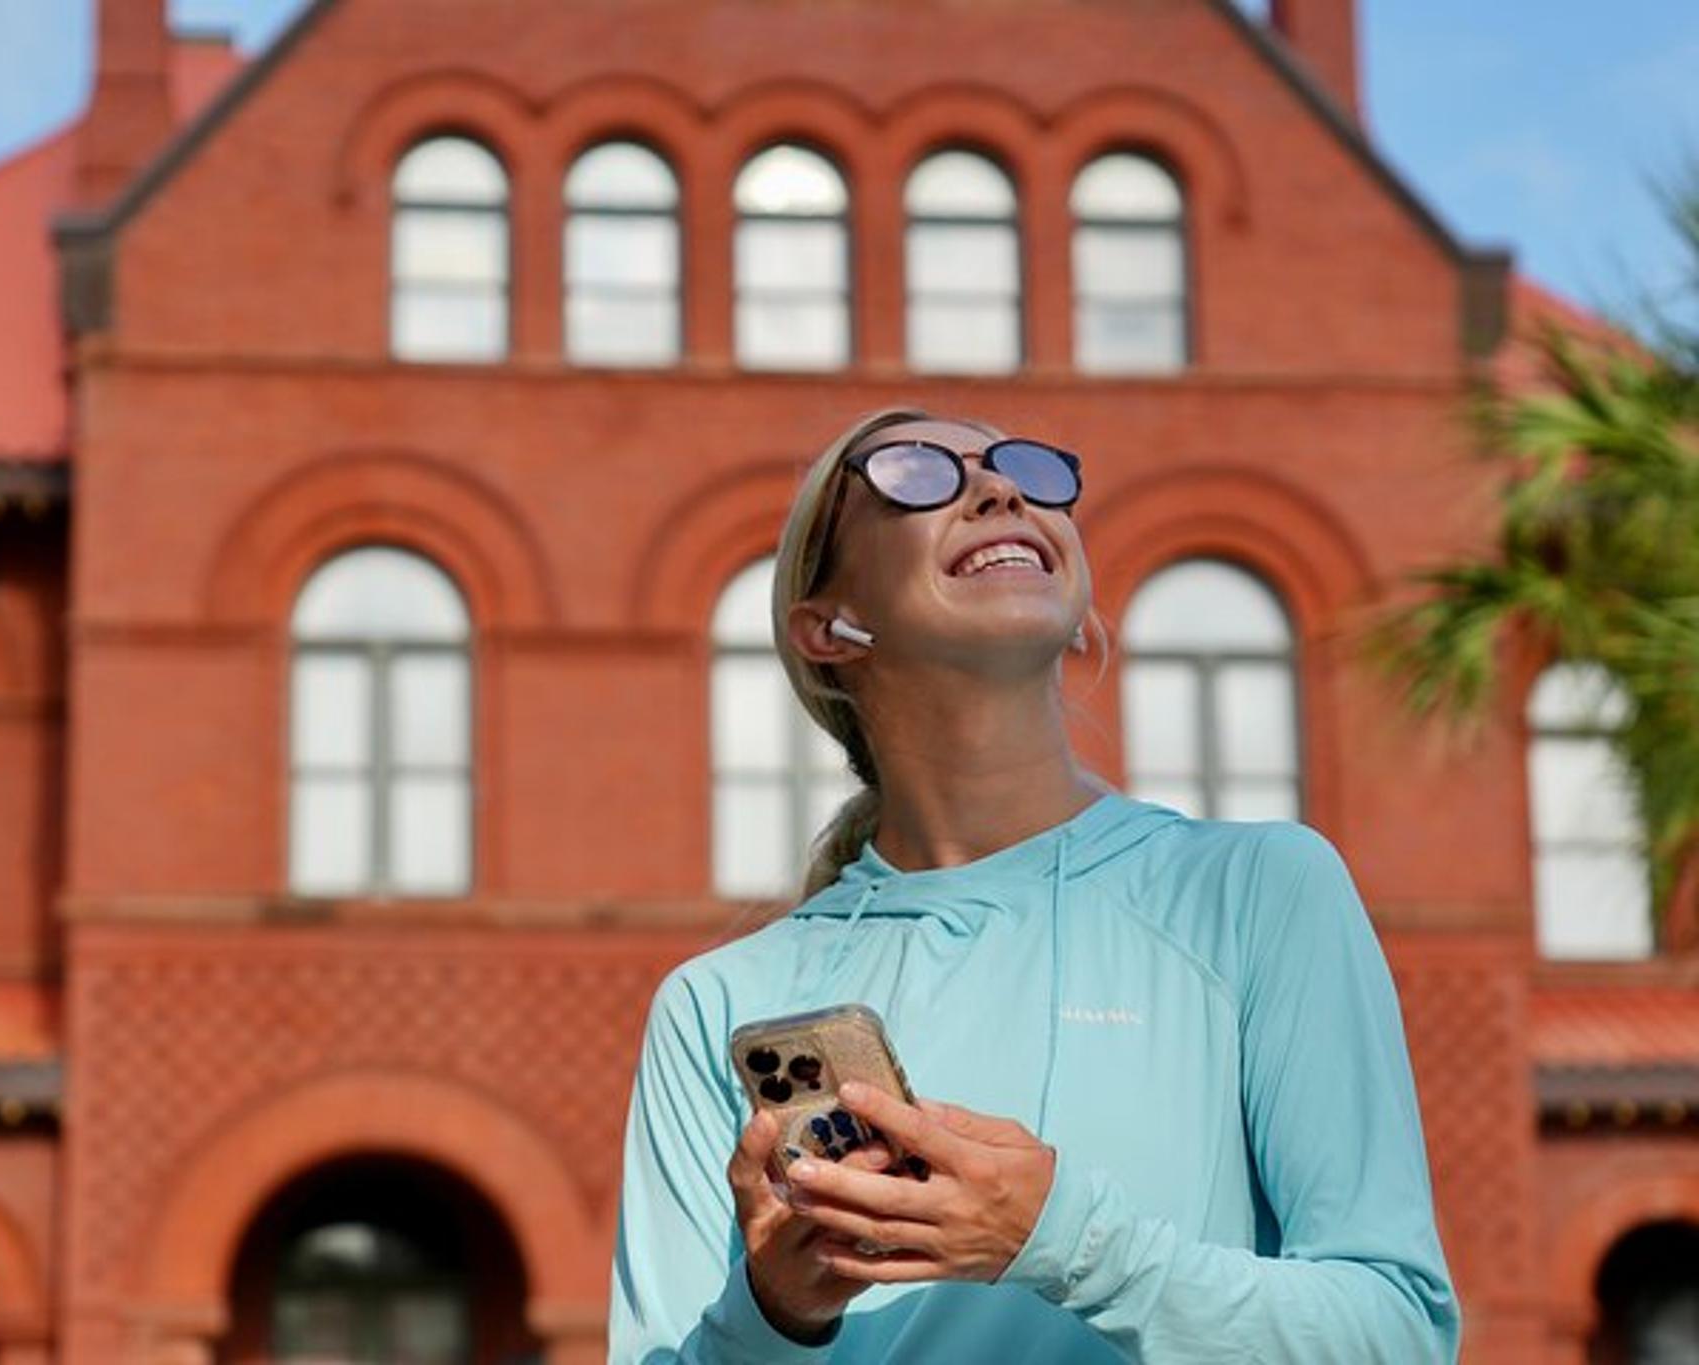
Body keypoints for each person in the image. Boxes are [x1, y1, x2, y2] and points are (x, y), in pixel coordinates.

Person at [605, 406, 1461, 1363]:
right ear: (828, 629)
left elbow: (1397, 1332)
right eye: (919, 474)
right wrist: (776, 1315)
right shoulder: (715, 1005)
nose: (1002, 490)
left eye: (1027, 471)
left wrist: (1057, 1241)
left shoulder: (1258, 892)